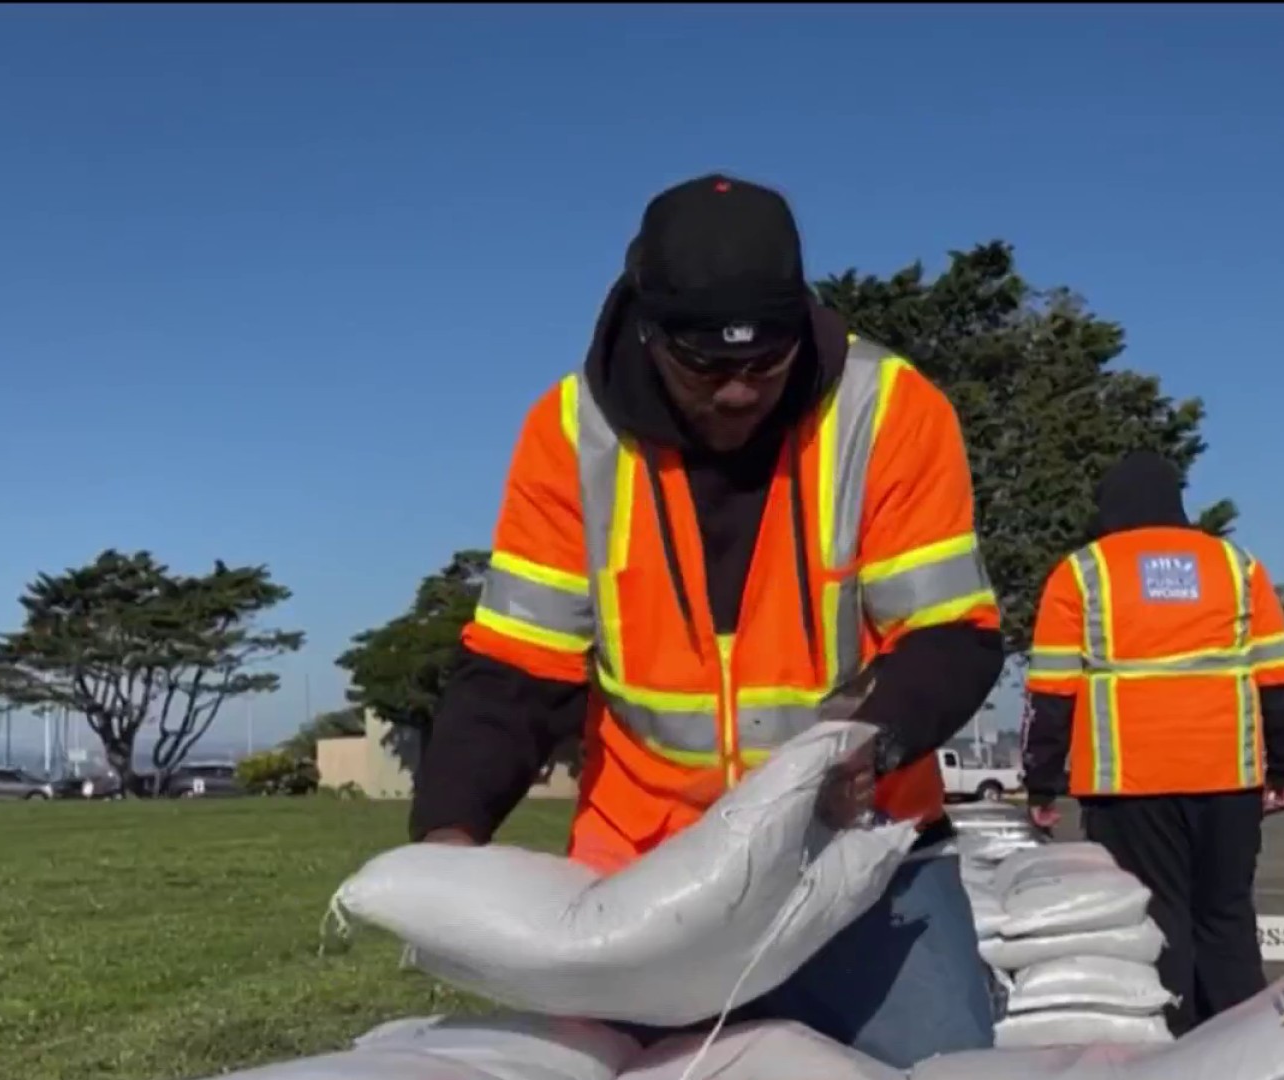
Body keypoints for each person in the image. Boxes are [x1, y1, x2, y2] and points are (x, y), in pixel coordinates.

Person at [408, 173, 1005, 1066]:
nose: (737, 394)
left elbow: (954, 635)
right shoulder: (571, 436)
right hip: (646, 872)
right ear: (648, 333)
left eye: (764, 364)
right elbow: (516, 672)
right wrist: (448, 840)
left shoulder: (889, 412)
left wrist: (871, 742)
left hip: (863, 851)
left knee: (945, 1061)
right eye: (707, 368)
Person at [1020, 451, 1284, 1036]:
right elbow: (1282, 678)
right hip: (1229, 780)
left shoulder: (1082, 572)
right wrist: (1282, 768)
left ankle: (1171, 1056)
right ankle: (1248, 1054)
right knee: (1226, 923)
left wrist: (1042, 781)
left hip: (1128, 786)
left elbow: (1051, 693)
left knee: (1156, 927)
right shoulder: (1236, 566)